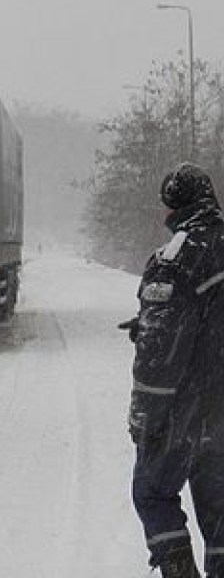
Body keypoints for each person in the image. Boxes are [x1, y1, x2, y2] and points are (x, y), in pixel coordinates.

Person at [127, 162, 224, 578]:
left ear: (174, 206)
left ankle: (179, 570)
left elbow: (159, 355)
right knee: (220, 512)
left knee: (152, 493)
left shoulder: (177, 259)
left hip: (190, 408)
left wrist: (144, 415)